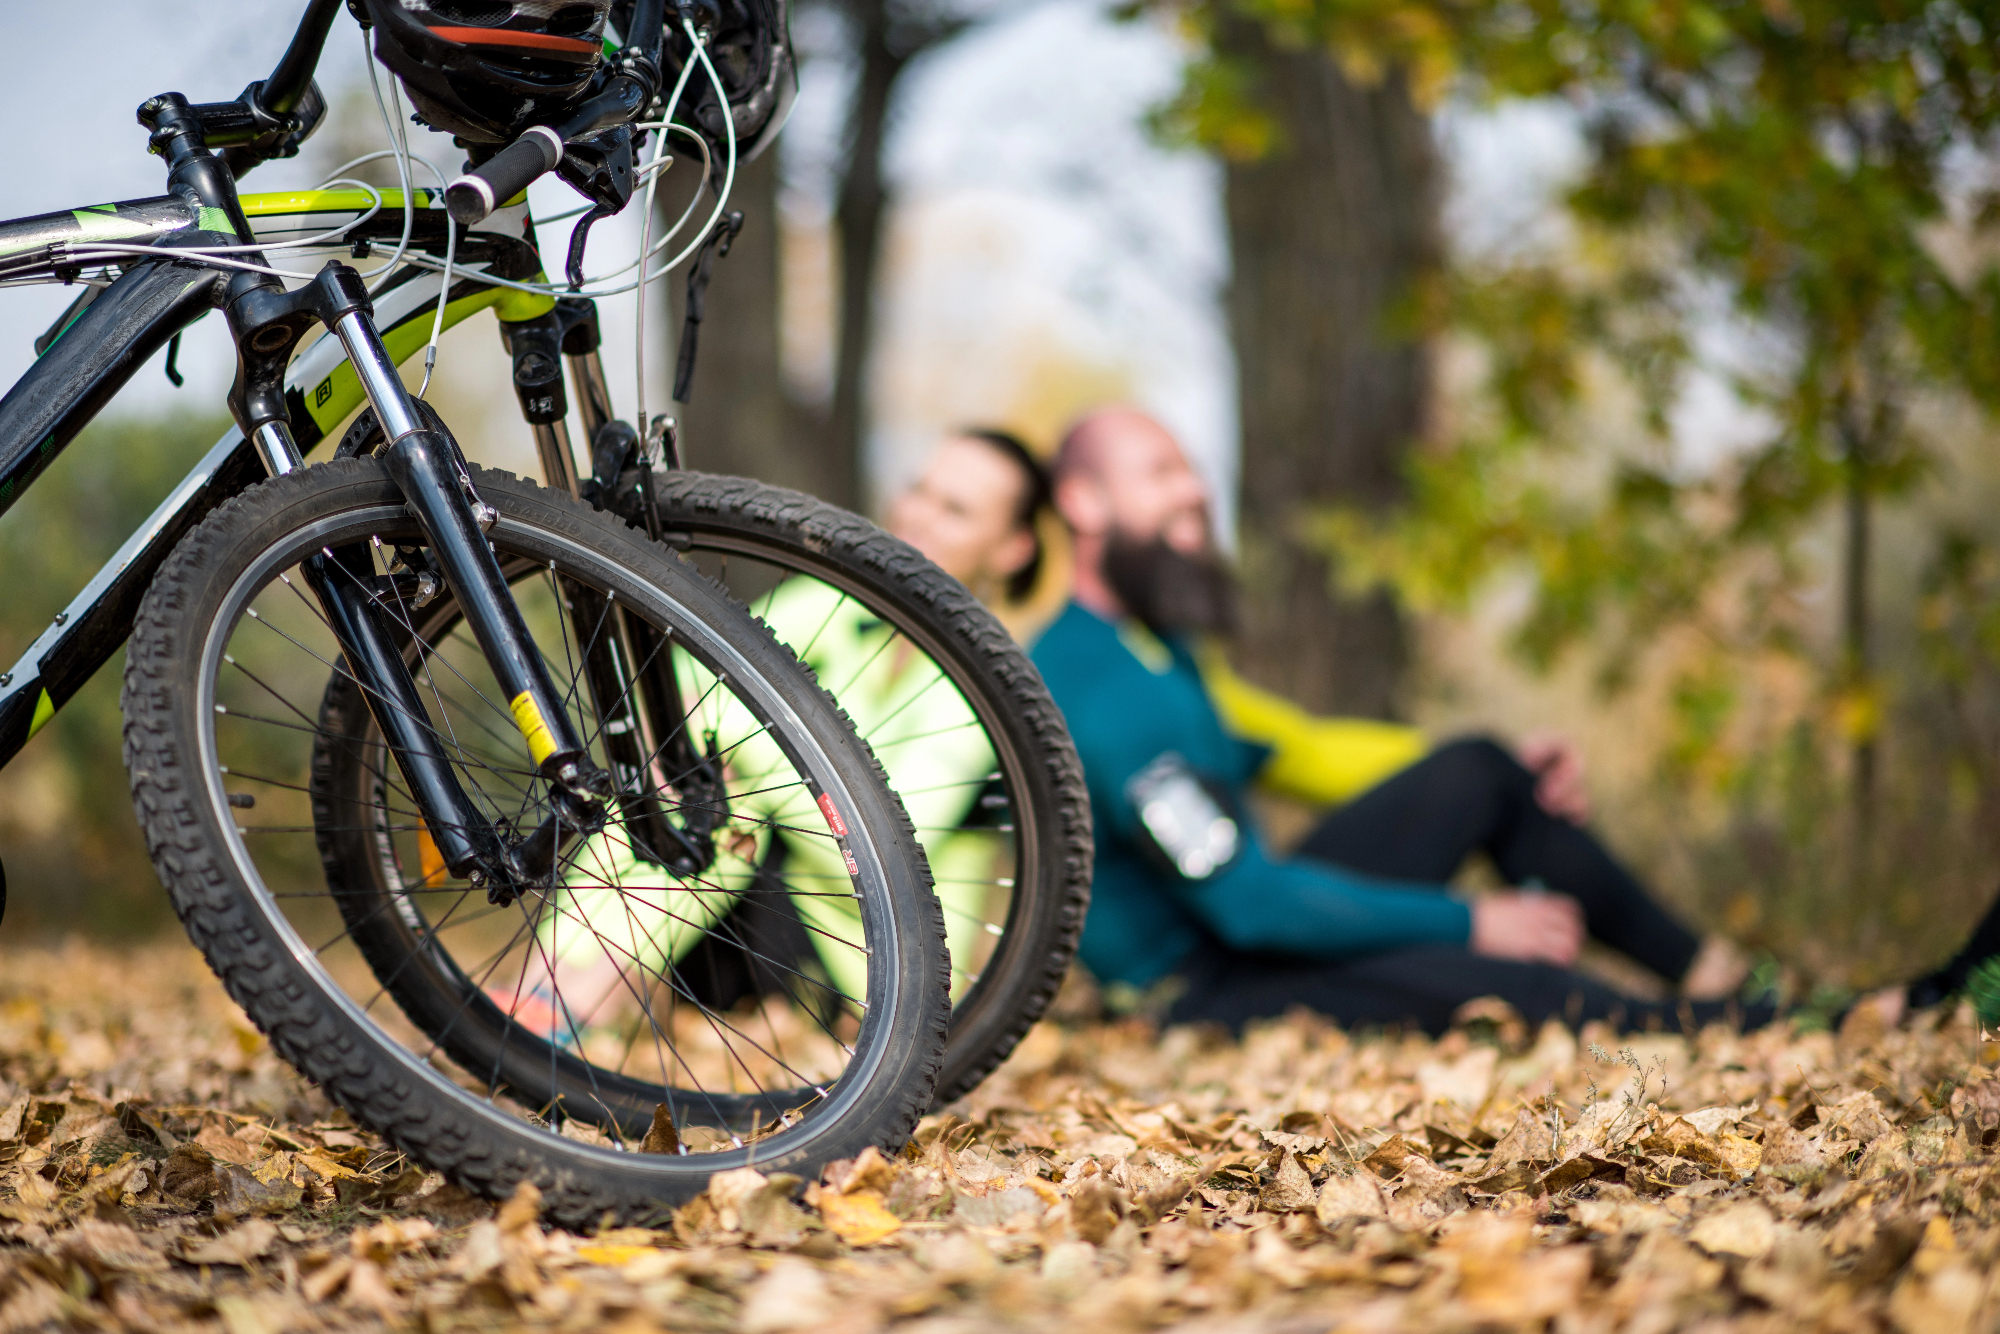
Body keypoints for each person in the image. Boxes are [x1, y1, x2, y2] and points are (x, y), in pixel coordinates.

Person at [1027, 407, 1776, 1035]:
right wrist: (1468, 922)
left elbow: (1298, 749)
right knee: (1511, 985)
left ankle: (1722, 977)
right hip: (1207, 991)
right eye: (1160, 473)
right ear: (1084, 503)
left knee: (1479, 771)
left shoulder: (1157, 653)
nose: (1193, 491)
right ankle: (1740, 1027)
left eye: (1190, 469)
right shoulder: (1092, 683)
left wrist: (1510, 764)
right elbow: (1249, 907)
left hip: (1245, 929)